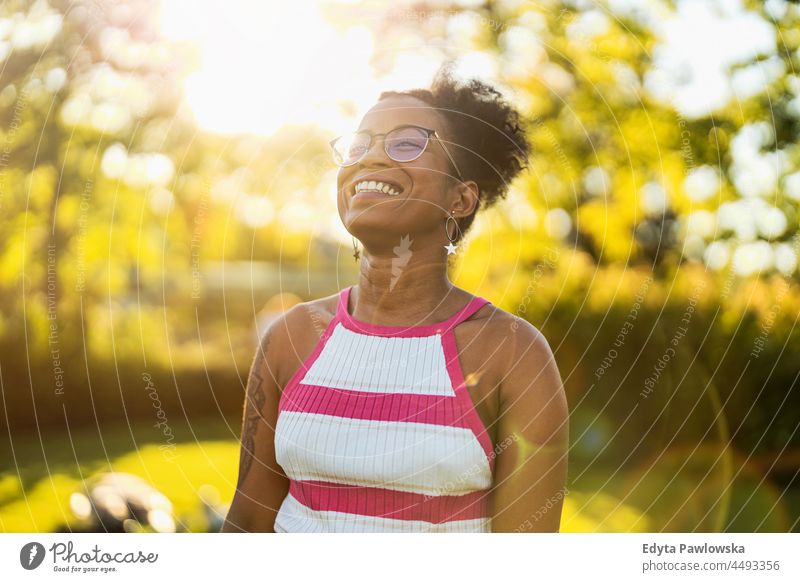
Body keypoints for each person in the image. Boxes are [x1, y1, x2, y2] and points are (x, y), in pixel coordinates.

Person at [221, 64, 569, 533]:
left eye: (406, 142)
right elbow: (246, 523)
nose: (368, 159)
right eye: (359, 144)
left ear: (460, 199)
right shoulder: (291, 337)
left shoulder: (512, 352)